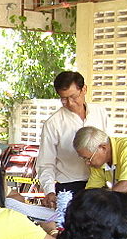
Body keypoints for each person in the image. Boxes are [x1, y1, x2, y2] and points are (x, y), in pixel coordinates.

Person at [36, 71, 109, 209]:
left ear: (84, 89)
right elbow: (45, 163)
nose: (69, 103)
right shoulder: (53, 123)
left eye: (73, 96)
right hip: (69, 186)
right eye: (63, 99)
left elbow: (110, 146)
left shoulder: (100, 112)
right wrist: (50, 191)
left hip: (100, 184)